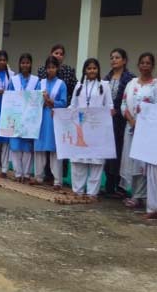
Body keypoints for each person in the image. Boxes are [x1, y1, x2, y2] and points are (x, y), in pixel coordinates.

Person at [69, 58, 113, 199]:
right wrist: (60, 114)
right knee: (79, 160)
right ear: (85, 70)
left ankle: (92, 193)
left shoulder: (104, 85)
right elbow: (73, 105)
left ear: (98, 70)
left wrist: (110, 112)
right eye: (89, 68)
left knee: (96, 161)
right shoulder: (79, 85)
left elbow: (109, 105)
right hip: (81, 128)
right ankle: (78, 190)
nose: (92, 71)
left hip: (97, 129)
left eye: (94, 68)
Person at [120, 52, 156, 209]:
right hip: (131, 128)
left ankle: (141, 196)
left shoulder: (155, 85)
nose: (145, 66)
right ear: (138, 65)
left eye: (148, 63)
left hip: (148, 131)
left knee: (143, 162)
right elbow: (123, 105)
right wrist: (132, 121)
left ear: (152, 66)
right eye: (142, 63)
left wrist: (143, 124)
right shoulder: (131, 83)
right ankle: (134, 194)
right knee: (131, 160)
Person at [32, 56, 67, 188]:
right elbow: (34, 100)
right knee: (39, 148)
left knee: (54, 149)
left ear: (57, 68)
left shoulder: (61, 84)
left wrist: (52, 102)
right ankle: (38, 177)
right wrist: (42, 100)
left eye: (53, 67)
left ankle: (57, 180)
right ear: (45, 69)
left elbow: (64, 103)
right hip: (41, 118)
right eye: (48, 67)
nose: (50, 70)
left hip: (54, 119)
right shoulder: (40, 83)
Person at [104, 48, 133, 198]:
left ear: (124, 60)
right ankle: (109, 186)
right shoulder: (106, 78)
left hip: (121, 123)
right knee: (107, 153)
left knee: (120, 153)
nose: (114, 60)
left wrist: (118, 110)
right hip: (106, 122)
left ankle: (120, 187)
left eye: (117, 57)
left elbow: (130, 101)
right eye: (111, 57)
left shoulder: (130, 79)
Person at [8, 53, 39, 183]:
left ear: (31, 64)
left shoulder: (36, 81)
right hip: (15, 116)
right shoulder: (14, 80)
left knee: (27, 147)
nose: (25, 65)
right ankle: (17, 173)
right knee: (15, 145)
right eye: (23, 63)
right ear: (19, 64)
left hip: (29, 117)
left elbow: (38, 98)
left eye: (27, 63)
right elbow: (9, 97)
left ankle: (26, 174)